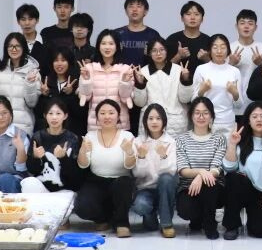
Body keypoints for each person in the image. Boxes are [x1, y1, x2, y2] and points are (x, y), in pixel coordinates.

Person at [76, 99, 137, 237]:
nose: (107, 116)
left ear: (118, 116)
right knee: (82, 207)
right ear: (97, 118)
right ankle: (103, 219)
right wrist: (83, 151)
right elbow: (83, 165)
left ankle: (122, 223)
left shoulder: (127, 136)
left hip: (121, 181)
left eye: (111, 113)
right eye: (102, 113)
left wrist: (129, 152)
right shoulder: (90, 136)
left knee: (124, 184)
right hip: (96, 180)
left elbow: (130, 165)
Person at [222, 102, 262, 239]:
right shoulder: (241, 140)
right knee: (233, 178)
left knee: (261, 232)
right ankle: (232, 225)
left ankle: (254, 219)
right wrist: (232, 144)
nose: (259, 119)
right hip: (245, 187)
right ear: (248, 121)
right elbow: (229, 168)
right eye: (254, 116)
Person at [175, 97, 227, 239]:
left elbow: (216, 168)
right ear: (191, 116)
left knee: (209, 183)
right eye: (197, 113)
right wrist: (201, 171)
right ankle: (197, 218)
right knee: (185, 209)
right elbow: (183, 170)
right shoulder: (181, 140)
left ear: (211, 116)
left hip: (214, 187)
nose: (201, 117)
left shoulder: (219, 139)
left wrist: (201, 176)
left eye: (205, 113)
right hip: (189, 187)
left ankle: (210, 224)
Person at [130, 103, 179, 235]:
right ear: (145, 121)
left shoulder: (171, 142)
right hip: (146, 188)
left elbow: (171, 172)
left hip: (165, 189)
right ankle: (150, 216)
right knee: (140, 206)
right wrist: (141, 157)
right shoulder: (138, 142)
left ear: (164, 121)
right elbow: (137, 174)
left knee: (166, 179)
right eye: (150, 118)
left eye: (158, 118)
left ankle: (166, 224)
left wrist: (163, 156)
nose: (154, 122)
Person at [132, 38, 194, 138]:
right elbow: (140, 103)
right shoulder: (143, 72)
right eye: (154, 50)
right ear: (149, 53)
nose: (158, 53)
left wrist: (185, 79)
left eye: (162, 50)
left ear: (167, 51)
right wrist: (140, 84)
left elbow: (185, 99)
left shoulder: (179, 70)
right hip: (151, 122)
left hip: (175, 123)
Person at [23, 98, 83, 194]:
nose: (54, 117)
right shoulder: (38, 137)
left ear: (65, 116)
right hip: (42, 188)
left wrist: (63, 158)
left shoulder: (72, 138)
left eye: (58, 113)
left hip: (65, 189)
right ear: (45, 116)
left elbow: (75, 175)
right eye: (50, 113)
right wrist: (35, 158)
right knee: (27, 183)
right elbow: (32, 170)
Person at [78, 30, 135, 129]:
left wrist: (125, 82)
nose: (107, 47)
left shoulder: (125, 69)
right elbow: (85, 97)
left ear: (117, 46)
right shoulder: (89, 68)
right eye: (103, 43)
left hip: (119, 124)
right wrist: (86, 80)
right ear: (98, 46)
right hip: (96, 124)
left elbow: (125, 98)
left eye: (111, 44)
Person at [192, 34, 242, 130]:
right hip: (206, 121)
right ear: (209, 50)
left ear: (228, 50)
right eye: (215, 47)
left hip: (228, 122)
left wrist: (235, 93)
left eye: (223, 47)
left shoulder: (234, 71)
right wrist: (202, 91)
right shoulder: (201, 69)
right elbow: (193, 101)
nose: (219, 51)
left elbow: (239, 105)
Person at [229, 9, 262, 117]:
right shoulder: (228, 49)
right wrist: (230, 64)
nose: (246, 26)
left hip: (256, 107)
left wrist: (260, 65)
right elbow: (219, 76)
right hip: (231, 106)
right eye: (242, 23)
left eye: (250, 23)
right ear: (236, 26)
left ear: (255, 27)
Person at [40, 48, 87, 135]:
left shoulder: (77, 82)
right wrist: (44, 96)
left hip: (73, 133)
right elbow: (39, 113)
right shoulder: (46, 82)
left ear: (69, 62)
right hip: (50, 133)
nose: (59, 64)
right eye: (56, 60)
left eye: (63, 60)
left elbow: (82, 113)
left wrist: (71, 94)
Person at [114, 0, 163, 68]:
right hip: (121, 74)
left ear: (145, 11)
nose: (134, 9)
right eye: (131, 6)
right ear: (126, 11)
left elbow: (160, 59)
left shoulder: (153, 34)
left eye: (139, 6)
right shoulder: (117, 34)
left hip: (146, 74)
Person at [166, 1, 212, 73]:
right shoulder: (172, 39)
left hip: (203, 80)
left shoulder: (209, 41)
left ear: (202, 19)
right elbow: (163, 69)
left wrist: (206, 59)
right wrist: (178, 56)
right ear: (182, 18)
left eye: (196, 14)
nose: (192, 17)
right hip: (177, 80)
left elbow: (216, 70)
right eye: (188, 14)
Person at [15, 3, 47, 68]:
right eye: (23, 19)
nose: (27, 23)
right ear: (18, 22)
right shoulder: (14, 43)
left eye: (30, 19)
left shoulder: (47, 43)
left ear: (37, 20)